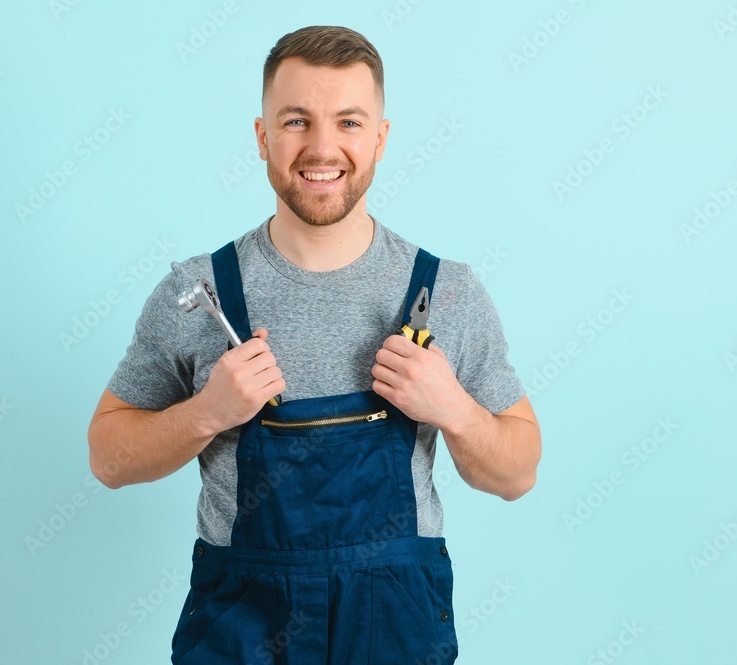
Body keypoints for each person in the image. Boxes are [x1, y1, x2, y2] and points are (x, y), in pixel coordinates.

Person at [87, 25, 541, 665]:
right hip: (243, 625)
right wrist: (207, 413)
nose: (322, 147)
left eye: (349, 122)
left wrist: (454, 410)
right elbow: (108, 458)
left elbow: (518, 473)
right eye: (296, 121)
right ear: (262, 136)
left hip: (394, 624)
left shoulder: (449, 294)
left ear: (380, 137)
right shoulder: (196, 291)